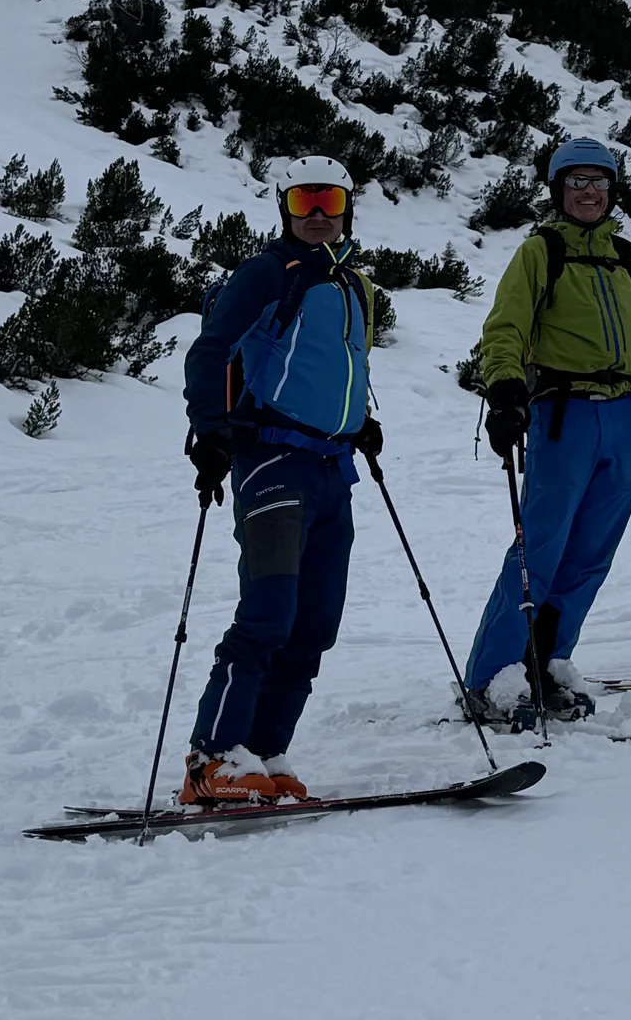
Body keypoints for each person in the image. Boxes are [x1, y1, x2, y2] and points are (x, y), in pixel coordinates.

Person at [180, 155, 383, 804]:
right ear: (285, 209)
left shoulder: (353, 285)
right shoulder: (269, 272)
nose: (318, 214)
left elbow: (336, 366)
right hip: (271, 459)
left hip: (333, 468)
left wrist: (361, 422)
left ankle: (263, 752)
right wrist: (210, 430)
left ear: (347, 206)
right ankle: (211, 757)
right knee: (268, 612)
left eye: (328, 200)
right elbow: (211, 349)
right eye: (304, 202)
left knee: (314, 622)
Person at [468, 138, 631, 725]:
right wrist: (506, 389)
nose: (589, 191)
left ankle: (550, 662)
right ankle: (494, 676)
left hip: (622, 414)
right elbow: (506, 324)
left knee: (592, 553)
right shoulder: (540, 251)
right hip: (562, 411)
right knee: (538, 548)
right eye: (577, 181)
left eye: (599, 181)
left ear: (612, 190)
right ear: (559, 189)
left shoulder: (628, 255)